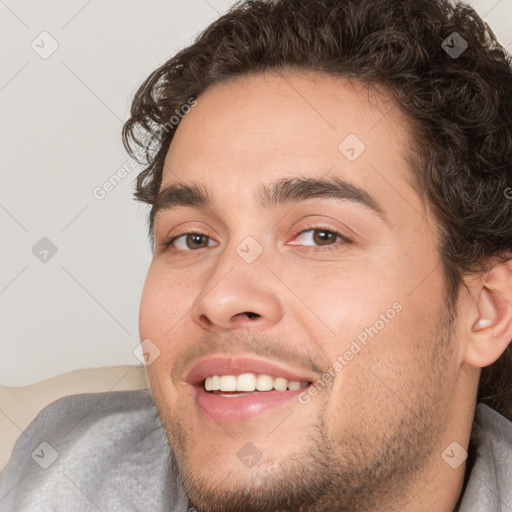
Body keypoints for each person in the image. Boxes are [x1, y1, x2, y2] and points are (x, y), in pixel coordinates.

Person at [2, 0, 512, 510]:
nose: (222, 296)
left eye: (320, 235)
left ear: (487, 310)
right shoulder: (56, 474)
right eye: (193, 239)